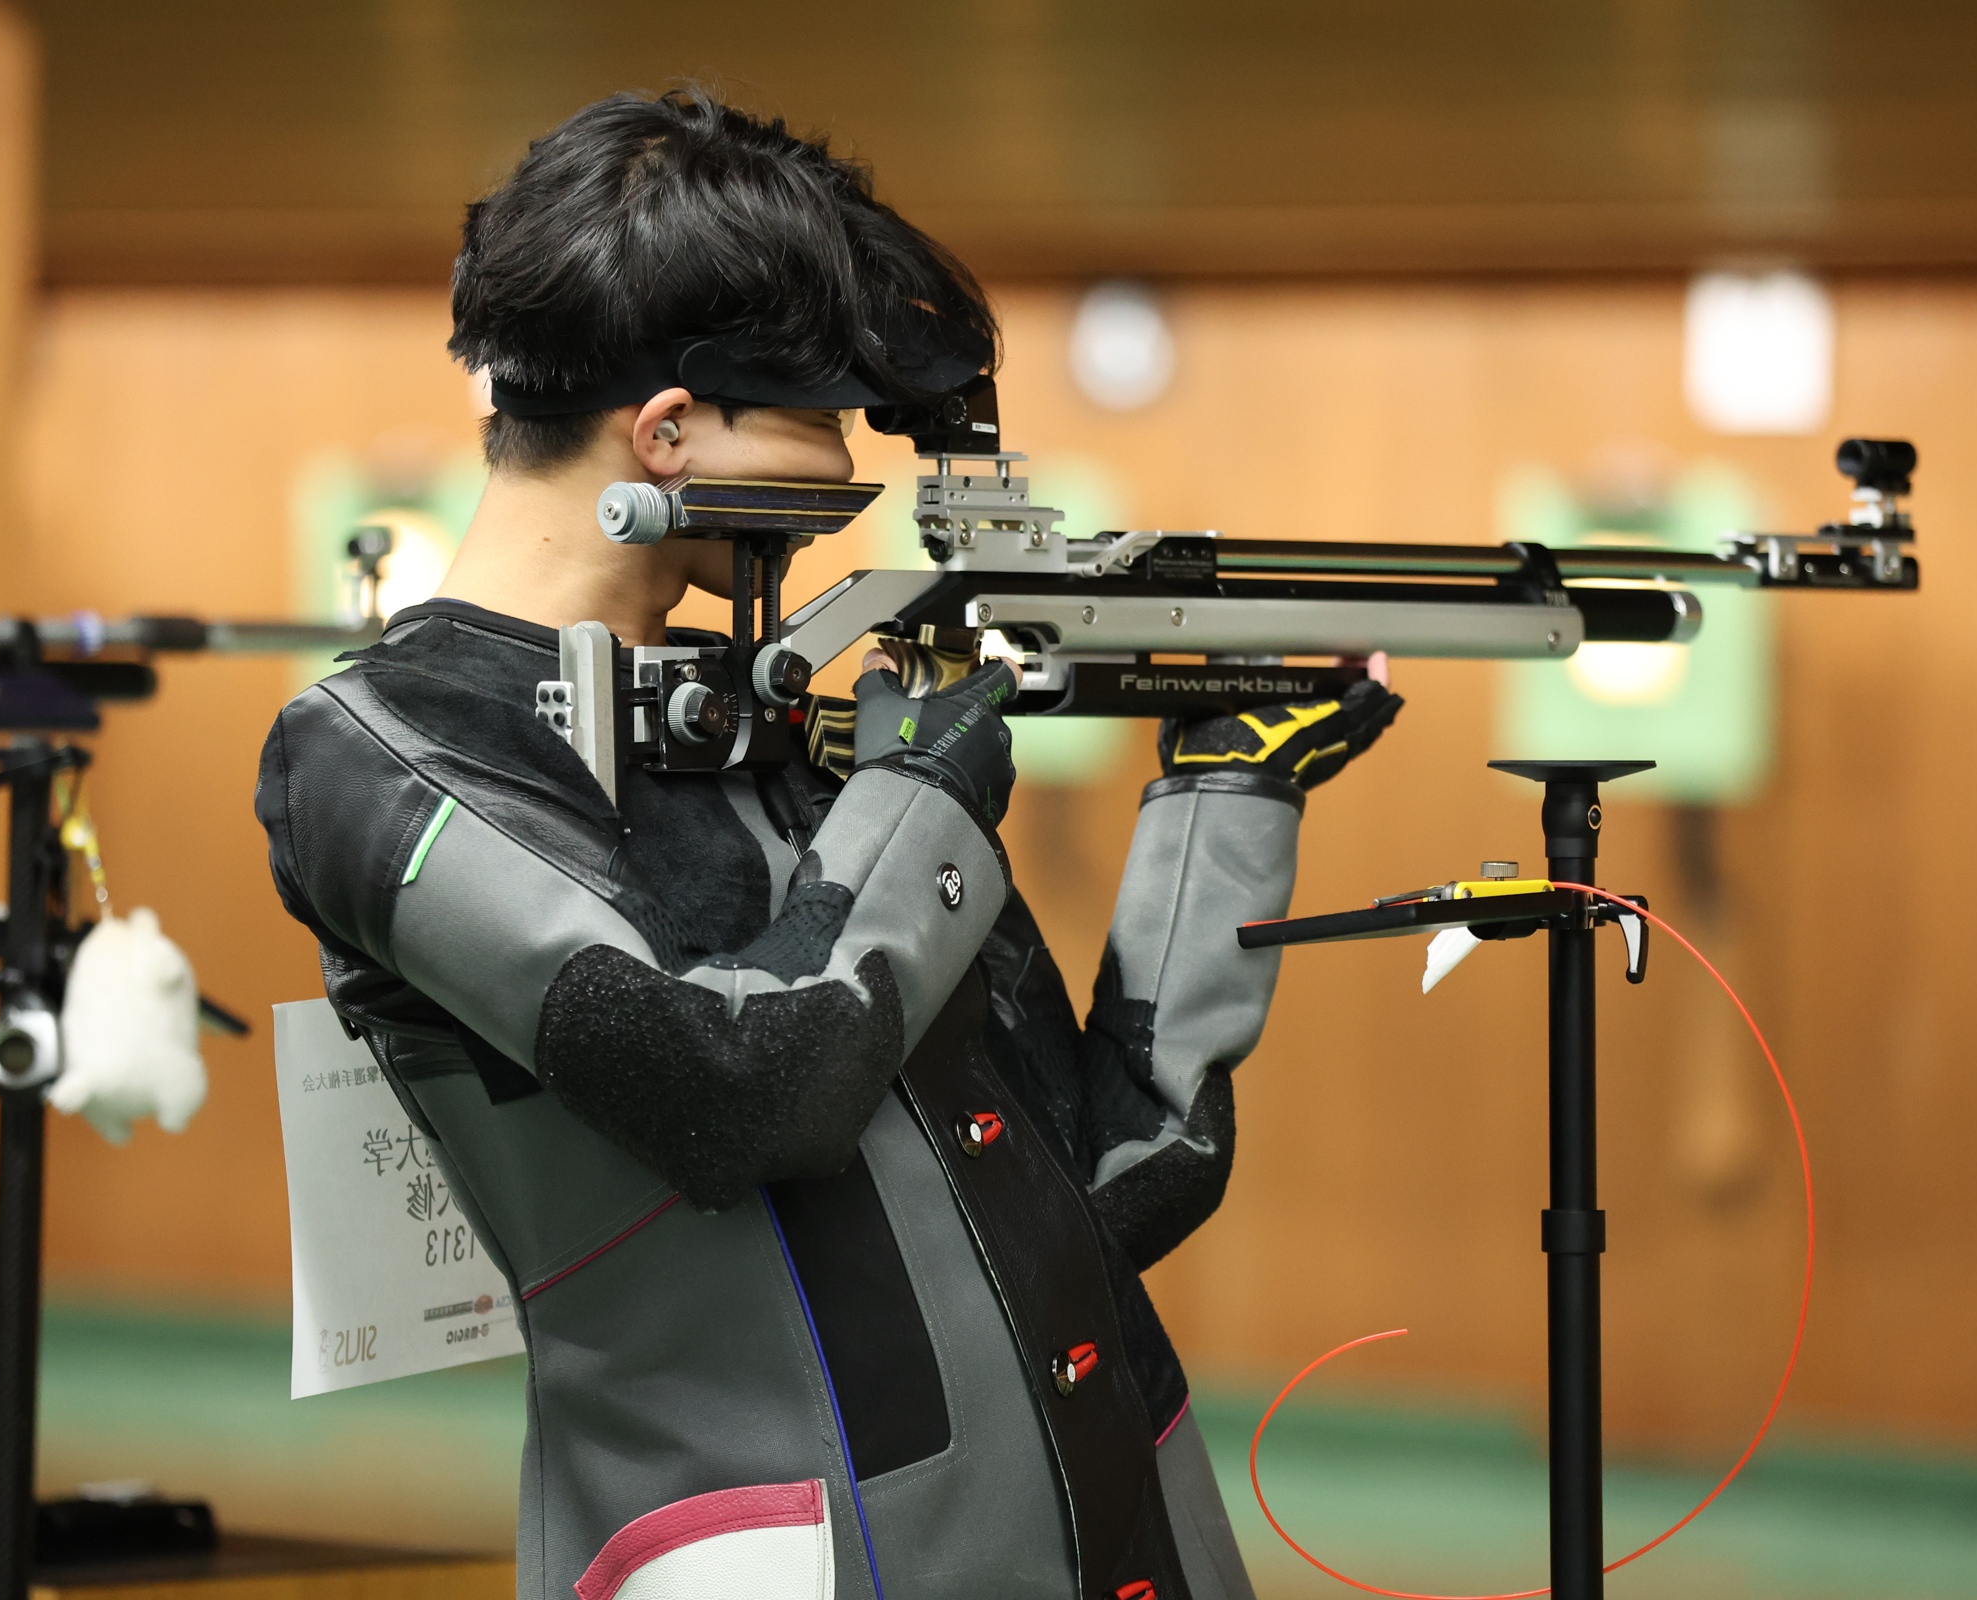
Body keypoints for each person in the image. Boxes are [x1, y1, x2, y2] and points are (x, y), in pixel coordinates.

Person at [256, 88, 1398, 1600]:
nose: (845, 473)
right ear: (668, 432)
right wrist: (923, 788)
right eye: (822, 420)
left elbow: (1104, 1184)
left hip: (1116, 1526)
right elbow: (743, 1092)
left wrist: (1229, 790)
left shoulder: (784, 728)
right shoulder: (378, 753)